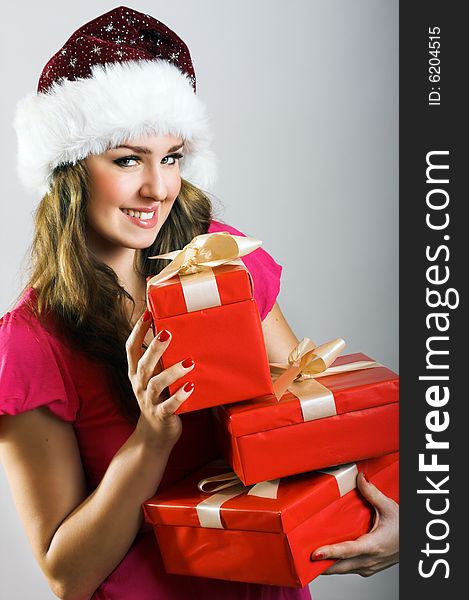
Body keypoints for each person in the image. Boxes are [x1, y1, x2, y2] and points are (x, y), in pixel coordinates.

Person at [0, 6, 398, 599]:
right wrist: (152, 438)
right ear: (70, 168)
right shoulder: (33, 340)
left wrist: (402, 519)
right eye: (127, 158)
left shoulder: (222, 261)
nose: (158, 188)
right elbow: (67, 575)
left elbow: (305, 425)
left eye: (173, 157)